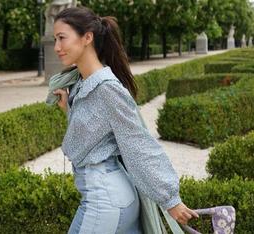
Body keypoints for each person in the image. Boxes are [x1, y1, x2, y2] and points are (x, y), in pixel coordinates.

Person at [51, 6, 198, 234]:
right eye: (55, 39)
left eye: (62, 38)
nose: (56, 47)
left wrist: (171, 199)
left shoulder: (107, 89)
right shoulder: (84, 83)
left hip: (105, 200)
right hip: (109, 197)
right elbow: (93, 137)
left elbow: (138, 144)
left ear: (87, 37)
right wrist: (69, 109)